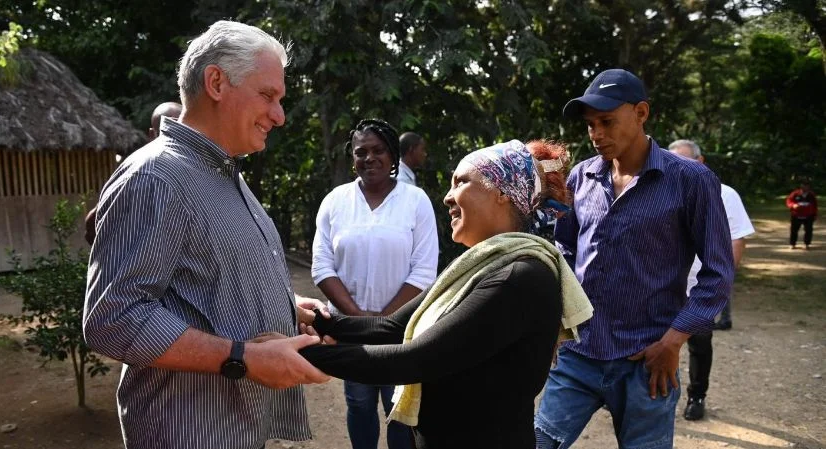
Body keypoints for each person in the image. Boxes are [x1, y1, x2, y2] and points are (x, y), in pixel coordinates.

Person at [82, 21, 329, 449]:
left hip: (233, 428)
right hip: (187, 432)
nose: (279, 115)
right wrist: (243, 358)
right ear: (216, 82)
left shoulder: (221, 173)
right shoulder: (157, 177)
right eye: (267, 96)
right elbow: (112, 317)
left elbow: (200, 280)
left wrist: (284, 306)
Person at [299, 139, 593, 449]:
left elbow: (415, 359)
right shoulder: (477, 268)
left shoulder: (519, 276)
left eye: (461, 182)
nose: (447, 197)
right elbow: (392, 327)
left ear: (502, 193)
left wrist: (298, 355)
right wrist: (317, 322)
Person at [535, 69, 734, 449]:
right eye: (590, 124)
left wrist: (673, 341)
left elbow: (718, 273)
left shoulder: (691, 180)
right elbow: (565, 252)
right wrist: (555, 323)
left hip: (647, 361)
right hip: (579, 354)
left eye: (606, 121)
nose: (595, 134)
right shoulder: (581, 177)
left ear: (641, 113)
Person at [310, 119, 438, 449]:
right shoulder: (335, 201)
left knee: (399, 407)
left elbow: (423, 272)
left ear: (393, 155)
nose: (370, 158)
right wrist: (358, 319)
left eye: (378, 150)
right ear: (352, 158)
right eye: (361, 152)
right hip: (350, 330)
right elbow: (322, 266)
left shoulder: (416, 200)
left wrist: (385, 320)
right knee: (359, 402)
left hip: (402, 330)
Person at [669, 139, 755, 420]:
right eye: (673, 160)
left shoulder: (725, 194)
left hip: (699, 287)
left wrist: (721, 284)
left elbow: (736, 239)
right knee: (649, 341)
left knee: (699, 344)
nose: (679, 167)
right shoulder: (657, 188)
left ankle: (696, 395)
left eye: (686, 161)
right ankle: (645, 396)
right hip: (659, 285)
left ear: (701, 161)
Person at [83, 101, 183, 245]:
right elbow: (92, 227)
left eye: (178, 131)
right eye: (167, 131)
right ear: (152, 135)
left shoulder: (199, 171)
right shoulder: (138, 170)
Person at [786, 181, 817, 250]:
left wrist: (815, 214)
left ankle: (806, 244)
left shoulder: (811, 195)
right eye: (803, 185)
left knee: (808, 230)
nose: (805, 187)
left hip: (808, 215)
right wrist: (793, 205)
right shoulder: (795, 193)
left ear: (809, 187)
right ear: (801, 186)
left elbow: (815, 205)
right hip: (796, 215)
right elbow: (789, 201)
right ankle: (792, 244)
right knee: (794, 230)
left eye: (806, 186)